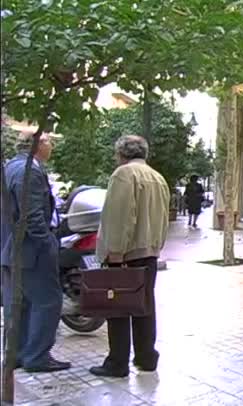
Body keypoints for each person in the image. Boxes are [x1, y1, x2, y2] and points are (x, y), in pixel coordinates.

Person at [90, 135, 170, 378]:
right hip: (149, 252)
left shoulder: (123, 174)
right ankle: (146, 357)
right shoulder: (157, 177)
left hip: (125, 253)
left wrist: (114, 250)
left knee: (118, 308)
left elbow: (119, 216)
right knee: (144, 305)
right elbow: (163, 218)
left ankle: (117, 362)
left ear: (121, 153)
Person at [1, 131, 71, 372]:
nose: (51, 145)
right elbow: (31, 216)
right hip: (31, 250)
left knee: (19, 305)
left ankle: (18, 354)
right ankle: (37, 356)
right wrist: (47, 243)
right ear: (38, 144)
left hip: (13, 249)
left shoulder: (12, 166)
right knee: (47, 301)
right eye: (49, 141)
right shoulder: (29, 170)